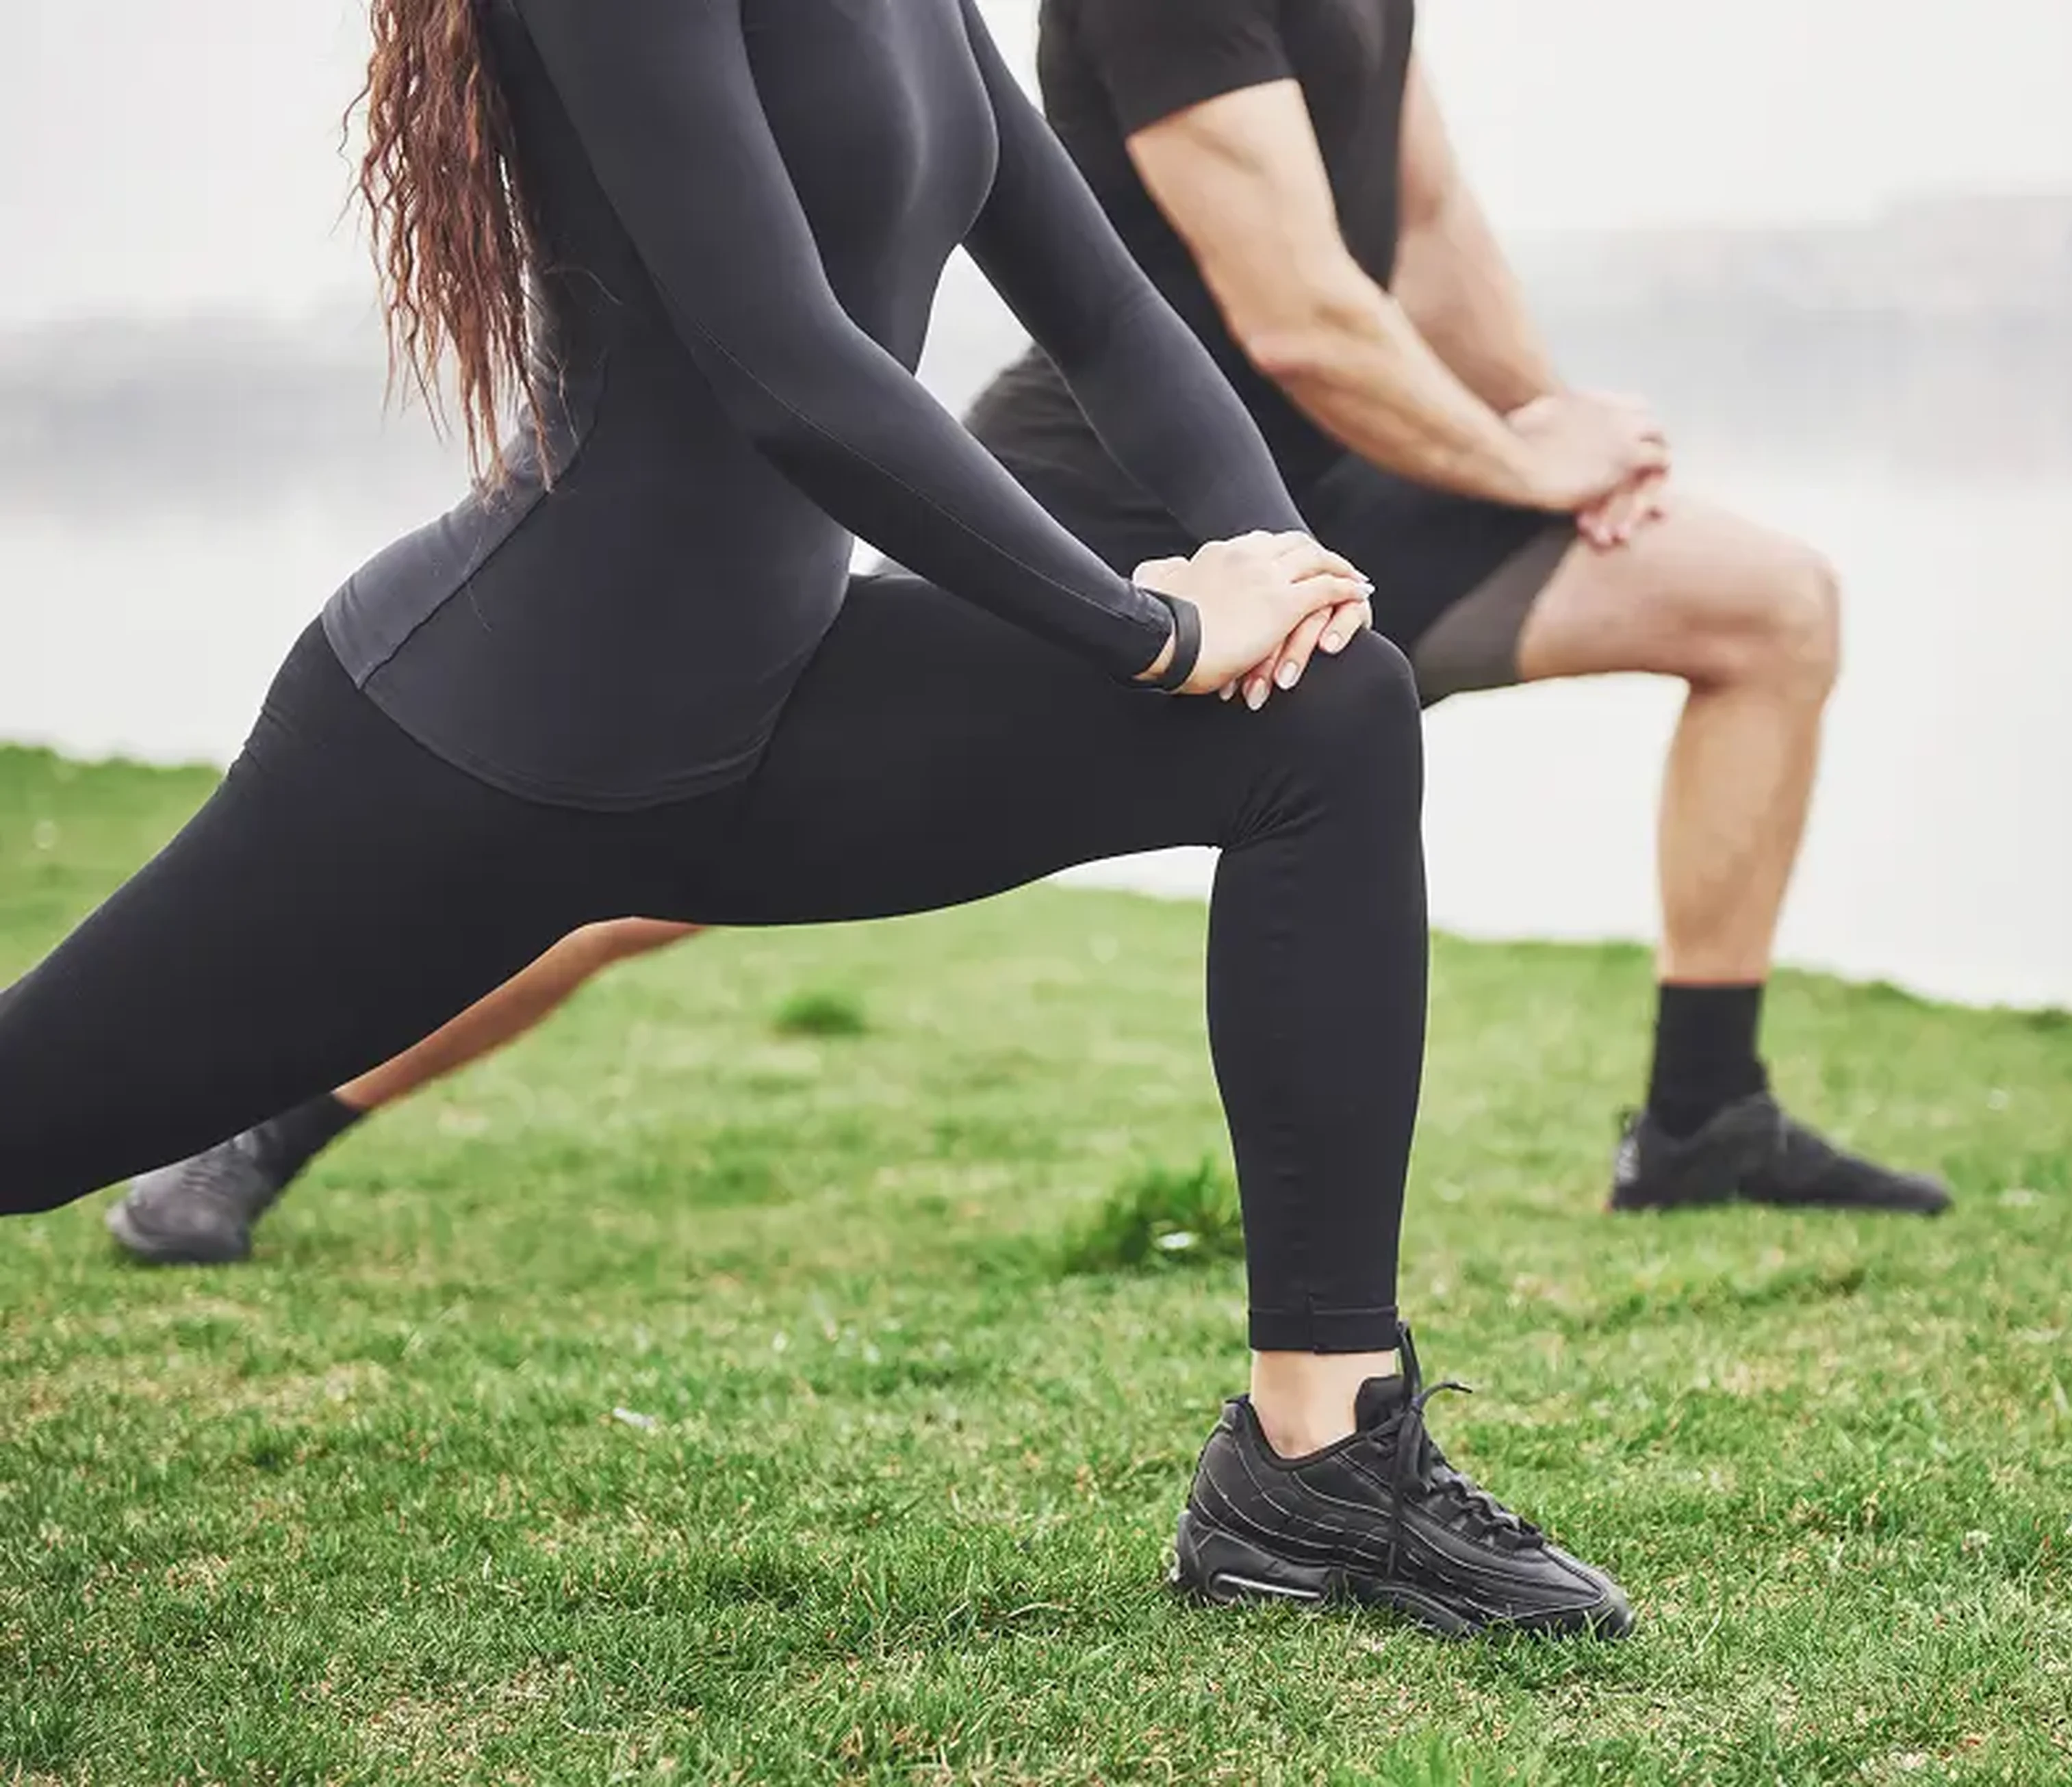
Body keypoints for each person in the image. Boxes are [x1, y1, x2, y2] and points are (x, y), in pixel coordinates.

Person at [10, 0, 1628, 1639]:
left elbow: (1117, 318)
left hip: (768, 723)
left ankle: (1320, 1469)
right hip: (480, 744)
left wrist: (1287, 579)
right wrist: (1148, 630)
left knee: (1335, 721)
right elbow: (783, 363)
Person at [110, 0, 1953, 1266]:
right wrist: (1477, 465)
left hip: (1344, 481)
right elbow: (1293, 305)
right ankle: (279, 1118)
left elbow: (1434, 216)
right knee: (639, 873)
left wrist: (1551, 447)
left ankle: (1700, 1123)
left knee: (1764, 604)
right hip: (1109, 499)